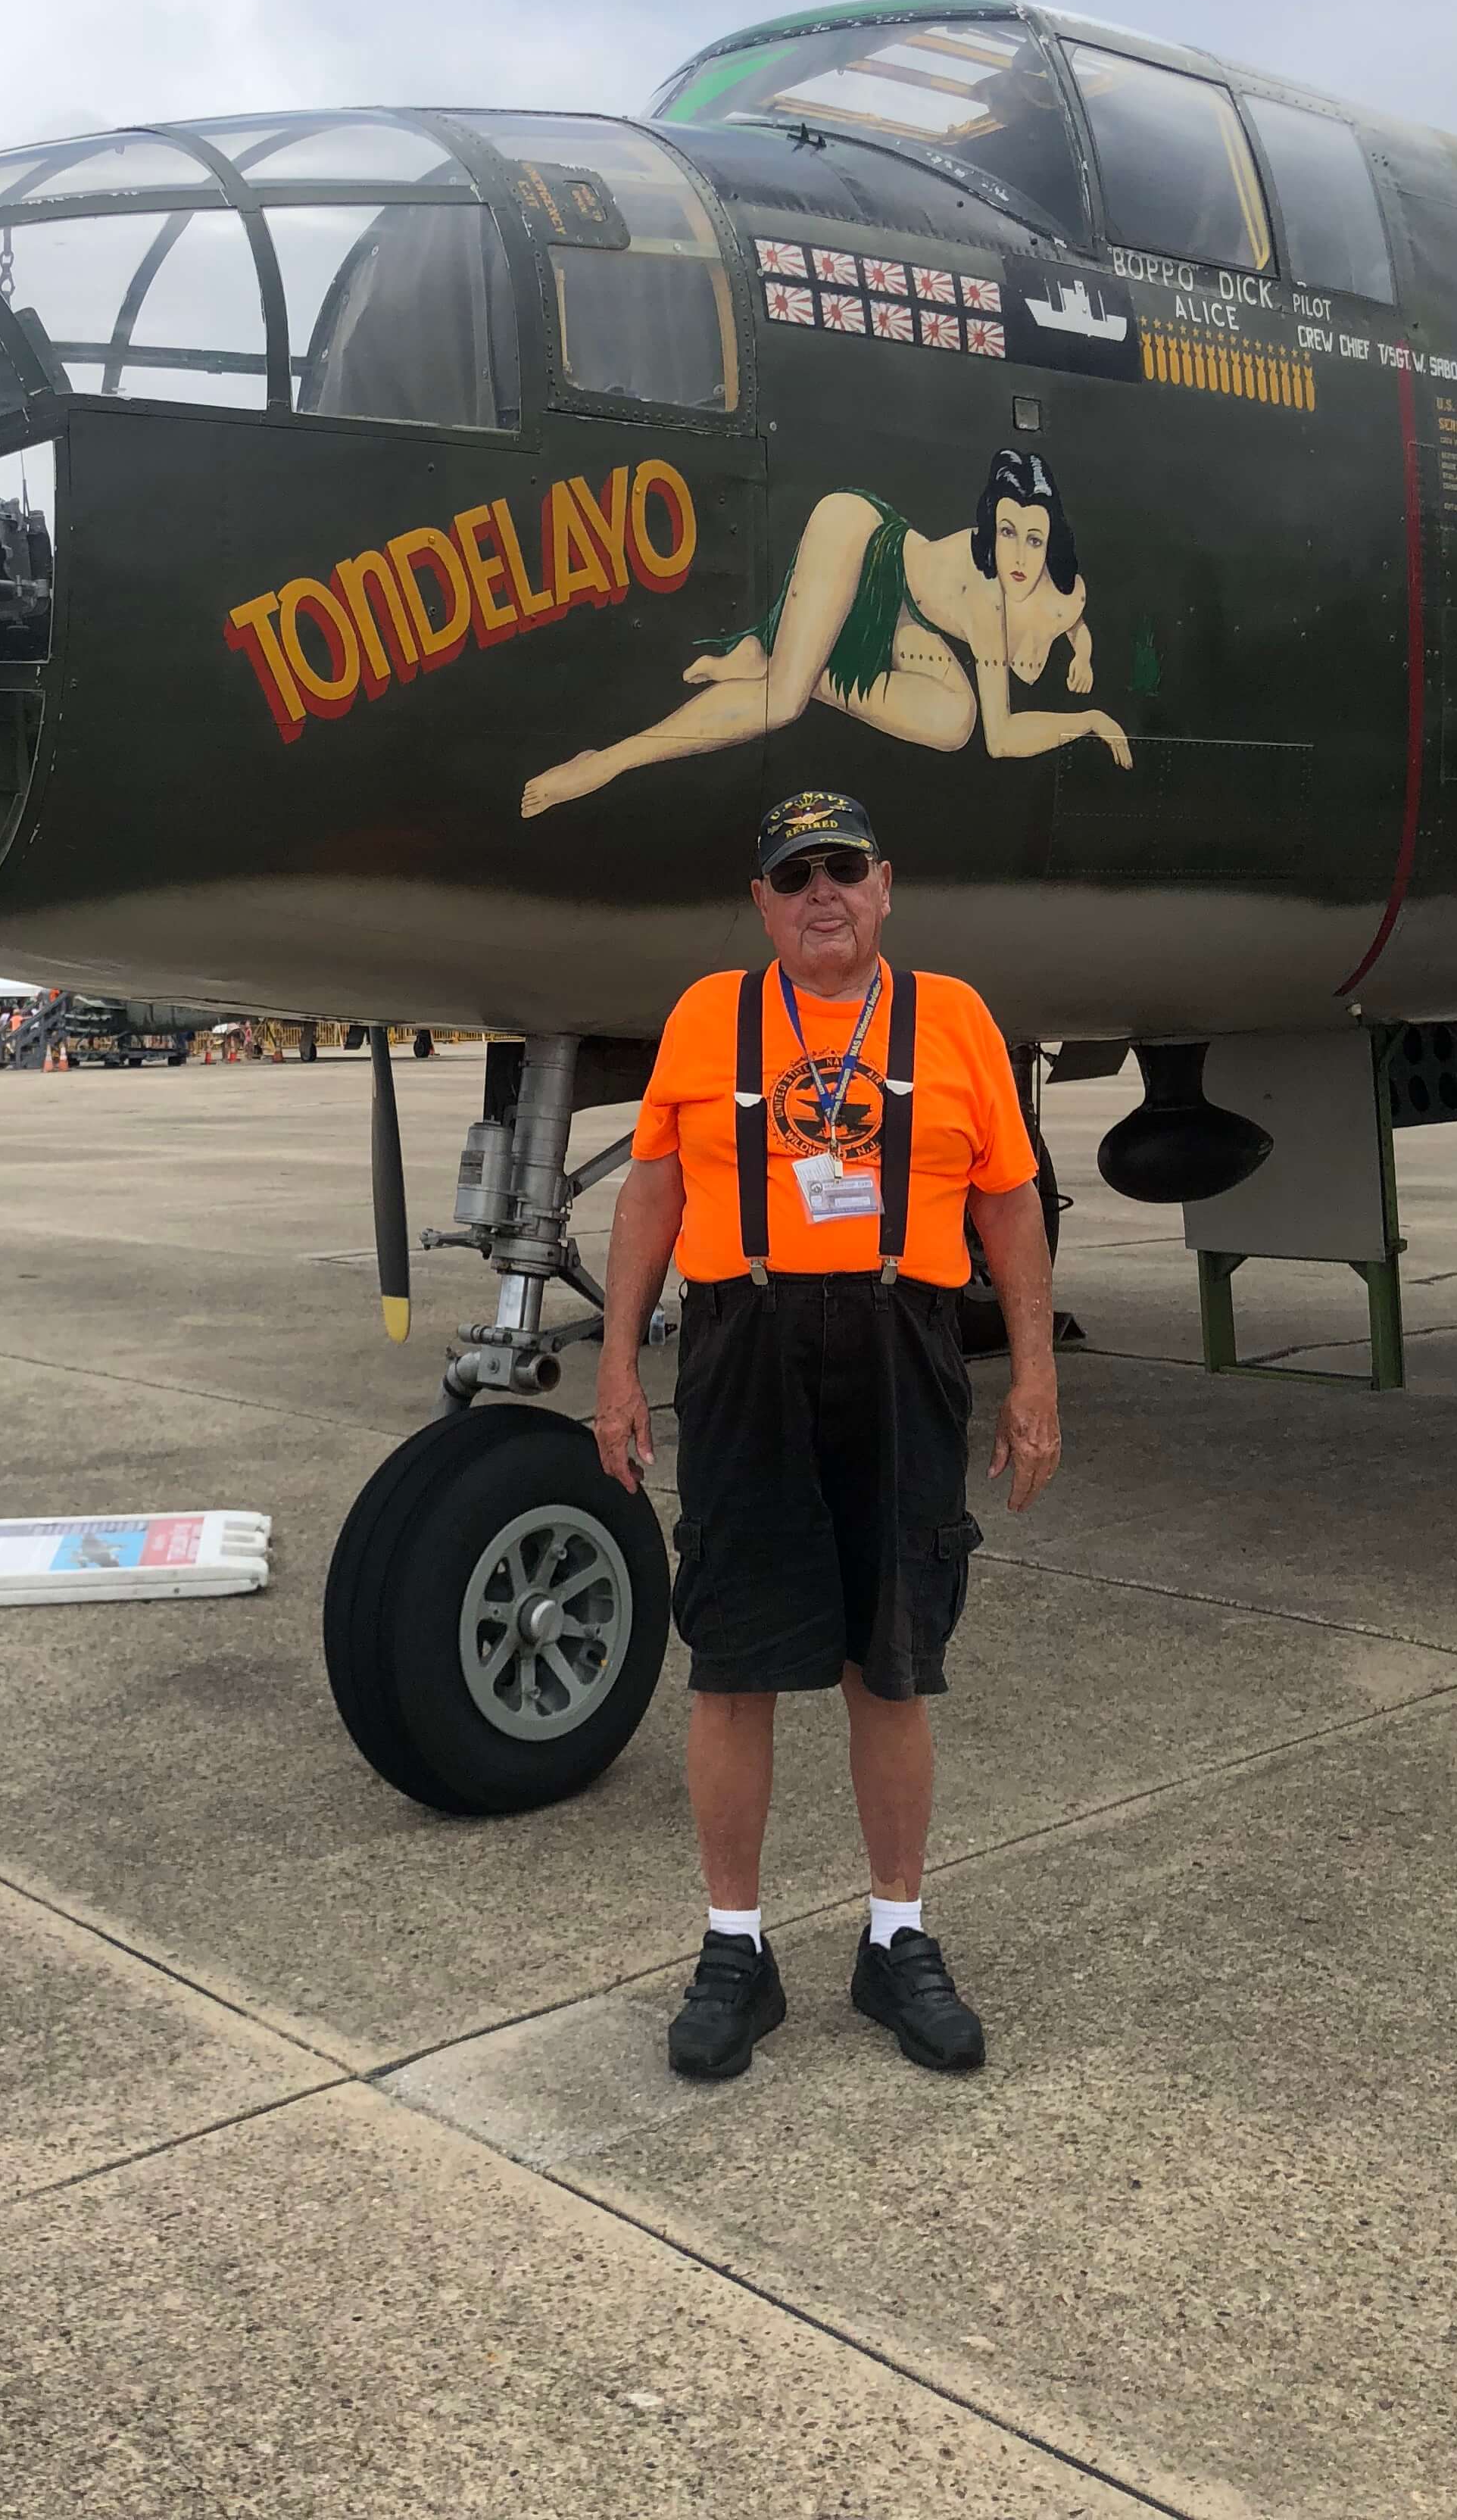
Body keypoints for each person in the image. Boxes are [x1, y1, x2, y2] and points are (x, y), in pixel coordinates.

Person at [595, 789, 1060, 2085]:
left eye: (840, 870)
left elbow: (1010, 1213)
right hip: (742, 1349)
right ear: (759, 901)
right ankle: (733, 1950)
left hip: (899, 1345)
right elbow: (649, 1192)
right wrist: (619, 1365)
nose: (819, 894)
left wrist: (1033, 1377)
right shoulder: (705, 1018)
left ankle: (893, 1933)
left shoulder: (954, 1020)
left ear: (884, 885)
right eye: (791, 874)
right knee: (730, 1656)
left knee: (891, 1654)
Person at [522, 450, 1131, 816]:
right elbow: (1004, 742)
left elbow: (1073, 623)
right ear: (987, 530)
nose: (1017, 556)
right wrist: (1089, 721)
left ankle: (779, 655)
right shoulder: (986, 607)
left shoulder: (1064, 595)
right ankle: (608, 762)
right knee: (782, 703)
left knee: (953, 723)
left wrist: (1083, 651)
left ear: (1053, 545)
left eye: (1032, 539)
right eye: (1004, 533)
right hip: (860, 543)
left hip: (902, 618)